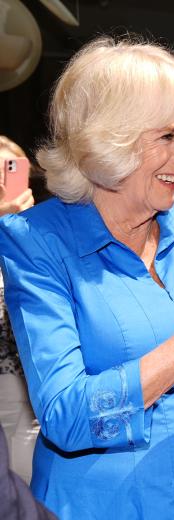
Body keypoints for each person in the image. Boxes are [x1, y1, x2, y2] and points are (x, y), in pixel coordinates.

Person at [0, 37, 174, 519]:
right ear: (107, 140)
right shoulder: (35, 241)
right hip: (112, 505)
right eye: (168, 136)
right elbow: (66, 416)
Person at [0, 136, 37, 485]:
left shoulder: (39, 230)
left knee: (30, 484)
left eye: (9, 171)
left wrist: (27, 232)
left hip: (30, 387)